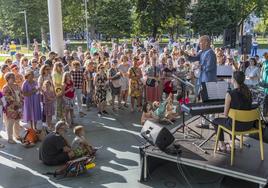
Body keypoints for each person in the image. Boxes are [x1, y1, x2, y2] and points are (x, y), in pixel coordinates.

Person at [213, 71, 254, 151]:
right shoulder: (248, 92)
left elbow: (225, 114)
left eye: (231, 77)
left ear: (234, 80)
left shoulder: (230, 94)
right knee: (232, 119)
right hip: (249, 125)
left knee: (216, 121)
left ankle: (222, 146)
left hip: (236, 126)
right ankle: (232, 144)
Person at [2, 72, 23, 144]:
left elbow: (21, 94)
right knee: (10, 123)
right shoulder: (5, 87)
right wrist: (16, 103)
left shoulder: (16, 86)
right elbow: (7, 98)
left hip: (18, 107)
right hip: (11, 108)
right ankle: (10, 138)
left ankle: (17, 135)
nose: (14, 79)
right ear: (7, 79)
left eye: (14, 77)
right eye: (12, 78)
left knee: (17, 121)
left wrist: (21, 102)